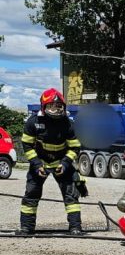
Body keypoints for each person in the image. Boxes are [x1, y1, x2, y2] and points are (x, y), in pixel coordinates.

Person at [19, 88, 84, 235]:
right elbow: (27, 145)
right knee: (31, 193)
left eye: (59, 106)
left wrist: (66, 163)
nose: (56, 109)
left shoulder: (68, 123)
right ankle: (26, 228)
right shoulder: (33, 122)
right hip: (40, 163)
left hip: (61, 162)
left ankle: (75, 228)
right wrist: (36, 164)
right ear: (44, 106)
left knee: (71, 195)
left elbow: (75, 147)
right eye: (52, 106)